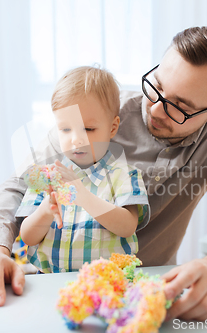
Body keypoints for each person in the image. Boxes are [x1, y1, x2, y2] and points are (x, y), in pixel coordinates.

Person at [0, 26, 207, 322]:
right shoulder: (99, 112)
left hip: (149, 291)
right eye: (157, 86)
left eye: (180, 107)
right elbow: (17, 186)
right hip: (62, 283)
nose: (156, 110)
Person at [18, 66, 150, 274]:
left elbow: (127, 227)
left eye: (88, 129)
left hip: (106, 283)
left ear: (112, 128)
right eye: (65, 129)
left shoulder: (124, 174)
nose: (76, 139)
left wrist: (84, 196)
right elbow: (27, 237)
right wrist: (46, 209)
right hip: (50, 280)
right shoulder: (48, 176)